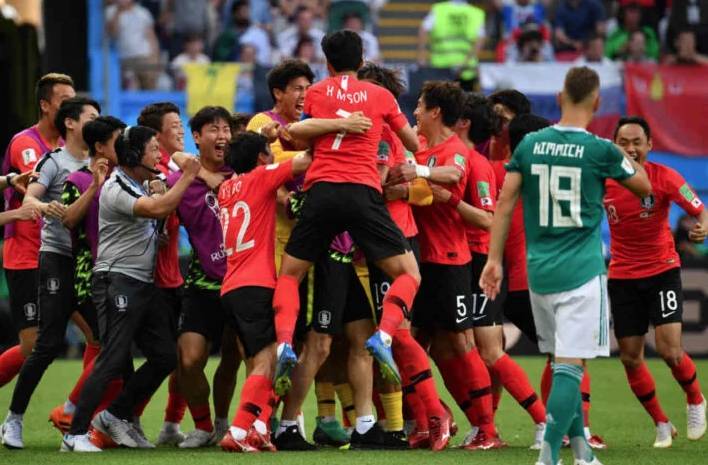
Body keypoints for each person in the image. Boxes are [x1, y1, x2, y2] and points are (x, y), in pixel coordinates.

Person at [270, 31, 451, 450]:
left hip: (319, 195)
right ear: (362, 56)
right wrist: (401, 146)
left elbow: (298, 135)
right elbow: (413, 142)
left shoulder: (315, 92)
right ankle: (385, 336)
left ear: (326, 61)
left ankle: (283, 343)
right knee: (409, 273)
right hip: (363, 196)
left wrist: (332, 125)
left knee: (290, 276)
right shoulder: (380, 97)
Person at [480, 66, 652, 465]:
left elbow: (504, 205)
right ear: (597, 102)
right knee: (570, 366)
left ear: (559, 99)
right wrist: (627, 156)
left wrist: (493, 260)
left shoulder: (530, 145)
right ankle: (547, 457)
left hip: (538, 272)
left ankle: (582, 452)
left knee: (562, 360)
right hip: (580, 273)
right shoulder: (601, 150)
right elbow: (643, 186)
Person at [62, 127, 201, 452]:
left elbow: (147, 218)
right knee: (112, 357)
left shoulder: (134, 184)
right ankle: (74, 433)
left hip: (141, 282)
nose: (159, 155)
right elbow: (156, 208)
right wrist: (187, 176)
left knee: (166, 355)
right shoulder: (114, 187)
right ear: (135, 155)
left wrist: (155, 236)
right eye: (154, 149)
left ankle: (114, 415)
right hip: (117, 280)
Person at [447, 93, 546, 449]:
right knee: (459, 347)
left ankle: (537, 422)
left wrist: (449, 199)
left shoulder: (484, 166)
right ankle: (480, 424)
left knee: (486, 349)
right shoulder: (479, 161)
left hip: (479, 262)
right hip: (463, 262)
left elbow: (488, 220)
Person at [1, 97, 101, 450]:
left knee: (104, 339)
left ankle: (75, 418)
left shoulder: (100, 162)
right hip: (57, 258)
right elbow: (29, 201)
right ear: (71, 123)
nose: (96, 122)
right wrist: (46, 207)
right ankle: (13, 419)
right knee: (47, 343)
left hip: (89, 262)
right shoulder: (54, 161)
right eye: (91, 116)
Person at [605, 116, 707, 448]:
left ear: (649, 145)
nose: (631, 148)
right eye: (624, 142)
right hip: (622, 275)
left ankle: (694, 399)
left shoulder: (664, 177)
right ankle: (661, 423)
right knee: (630, 357)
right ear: (614, 144)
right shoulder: (603, 179)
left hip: (662, 270)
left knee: (669, 349)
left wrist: (702, 226)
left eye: (637, 142)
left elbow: (698, 208)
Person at [217, 132, 312, 452]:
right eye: (269, 153)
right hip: (254, 284)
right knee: (267, 361)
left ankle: (257, 428)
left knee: (265, 360)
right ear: (261, 158)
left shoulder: (225, 188)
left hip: (231, 285)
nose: (273, 157)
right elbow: (305, 161)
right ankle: (239, 430)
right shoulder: (261, 177)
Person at [47, 116, 127, 440]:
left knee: (112, 358)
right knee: (107, 352)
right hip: (89, 275)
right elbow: (67, 220)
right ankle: (69, 413)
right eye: (117, 140)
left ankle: (87, 421)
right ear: (100, 146)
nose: (122, 146)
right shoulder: (77, 180)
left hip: (119, 273)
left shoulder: (124, 178)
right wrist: (95, 185)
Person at [166, 106, 239, 448]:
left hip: (242, 281)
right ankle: (202, 426)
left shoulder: (242, 169)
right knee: (189, 358)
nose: (222, 135)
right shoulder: (180, 178)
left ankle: (226, 424)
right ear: (197, 137)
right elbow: (166, 158)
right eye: (213, 129)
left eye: (226, 129)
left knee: (235, 356)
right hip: (201, 283)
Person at [0, 73, 75, 390]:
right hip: (27, 255)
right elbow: (35, 180)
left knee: (99, 336)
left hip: (62, 252)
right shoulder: (27, 143)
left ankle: (79, 418)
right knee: (34, 346)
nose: (71, 108)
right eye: (64, 102)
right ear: (45, 105)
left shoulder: (66, 146)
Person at [418, 0, 486, 90]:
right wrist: (467, 62)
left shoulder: (439, 9)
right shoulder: (476, 13)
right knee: (464, 102)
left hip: (441, 67)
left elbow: (424, 29)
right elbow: (480, 39)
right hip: (465, 70)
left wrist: (422, 56)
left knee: (441, 101)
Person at [105, 0, 160, 89]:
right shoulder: (110, 12)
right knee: (131, 88)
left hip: (143, 56)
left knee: (150, 87)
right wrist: (117, 13)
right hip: (122, 58)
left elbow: (151, 37)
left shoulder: (143, 12)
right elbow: (112, 34)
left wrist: (155, 57)